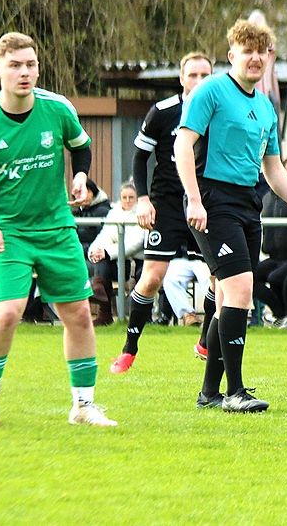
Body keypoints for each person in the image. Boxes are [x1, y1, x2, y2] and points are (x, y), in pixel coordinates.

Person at [0, 32, 116, 428]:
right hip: (8, 232)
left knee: (79, 313)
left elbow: (80, 145)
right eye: (15, 65)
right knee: (9, 312)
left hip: (56, 228)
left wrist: (80, 175)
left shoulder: (57, 108)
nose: (24, 72)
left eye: (30, 65)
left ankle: (83, 405)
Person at [175, 19, 287, 412]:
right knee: (240, 290)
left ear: (269, 58)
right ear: (231, 55)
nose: (255, 58)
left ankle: (209, 393)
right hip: (212, 199)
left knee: (228, 299)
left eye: (261, 51)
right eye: (247, 50)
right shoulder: (211, 90)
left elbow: (273, 168)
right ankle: (235, 392)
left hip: (247, 203)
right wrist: (194, 200)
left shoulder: (266, 107)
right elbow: (182, 146)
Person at [110, 51, 215, 373]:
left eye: (205, 75)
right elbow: (140, 157)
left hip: (206, 202)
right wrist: (143, 199)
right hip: (167, 204)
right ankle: (129, 348)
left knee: (219, 277)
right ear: (181, 79)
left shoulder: (220, 111)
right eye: (192, 75)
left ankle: (206, 340)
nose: (199, 81)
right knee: (153, 276)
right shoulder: (163, 111)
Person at [255, 156, 287, 328]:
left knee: (276, 278)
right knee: (251, 277)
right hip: (273, 254)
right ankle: (280, 314)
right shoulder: (267, 197)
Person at [87, 181, 145, 326]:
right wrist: (95, 251)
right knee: (102, 262)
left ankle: (101, 298)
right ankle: (104, 311)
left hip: (134, 263)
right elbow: (104, 236)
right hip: (115, 261)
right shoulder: (114, 213)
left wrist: (107, 251)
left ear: (137, 198)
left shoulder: (142, 213)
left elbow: (134, 244)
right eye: (124, 197)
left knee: (104, 263)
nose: (127, 200)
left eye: (131, 197)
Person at [161, 256, 212, 326]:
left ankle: (218, 315)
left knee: (210, 281)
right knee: (170, 280)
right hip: (182, 257)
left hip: (205, 258)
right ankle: (188, 315)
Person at [72, 178, 110, 257]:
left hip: (94, 256)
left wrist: (76, 249)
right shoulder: (76, 211)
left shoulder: (102, 211)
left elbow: (103, 240)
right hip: (77, 253)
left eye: (87, 191)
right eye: (79, 192)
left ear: (94, 192)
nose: (84, 195)